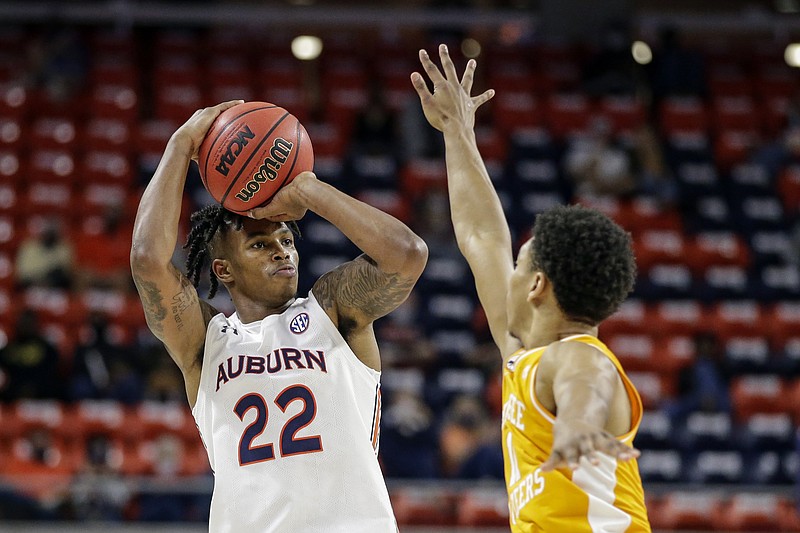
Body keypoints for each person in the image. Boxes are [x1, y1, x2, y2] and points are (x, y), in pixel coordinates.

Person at [129, 100, 428, 532]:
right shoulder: (206, 343)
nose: (281, 251)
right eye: (259, 244)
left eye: (287, 239)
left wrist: (307, 189)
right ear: (223, 270)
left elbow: (407, 255)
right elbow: (147, 262)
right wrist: (180, 144)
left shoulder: (332, 311)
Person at [412, 45, 650, 531]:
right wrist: (457, 133)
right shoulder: (522, 352)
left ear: (537, 285)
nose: (509, 271)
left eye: (518, 264)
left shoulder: (579, 354)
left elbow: (588, 381)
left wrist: (578, 424)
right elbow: (481, 237)